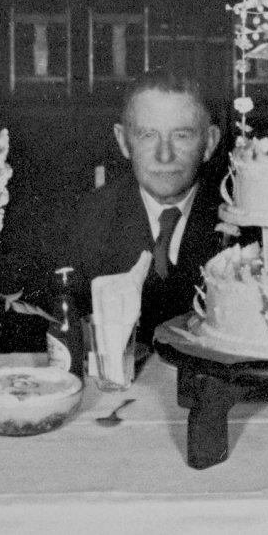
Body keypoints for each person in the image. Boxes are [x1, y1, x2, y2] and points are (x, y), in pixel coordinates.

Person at [63, 71, 226, 346]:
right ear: (123, 141)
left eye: (182, 136)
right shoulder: (84, 220)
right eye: (148, 135)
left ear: (209, 143)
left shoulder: (242, 224)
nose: (165, 155)